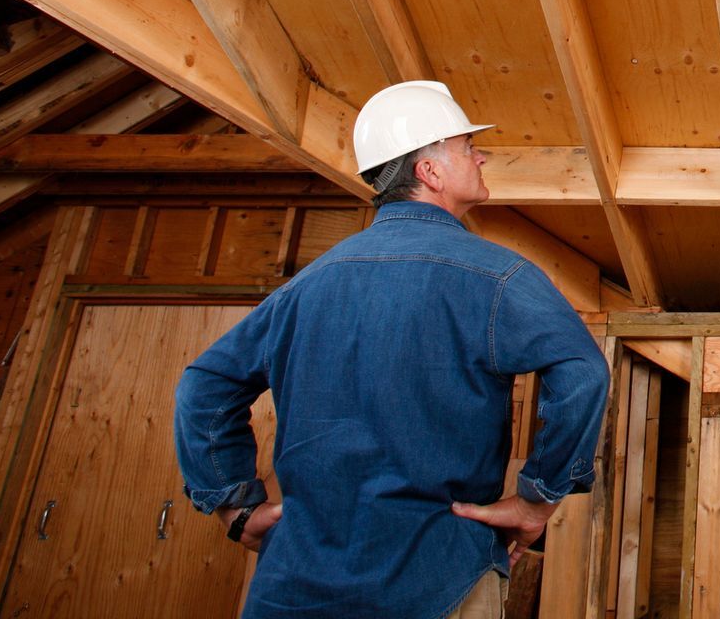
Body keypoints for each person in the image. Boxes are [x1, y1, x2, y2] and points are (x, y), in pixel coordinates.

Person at [174, 80, 610, 619]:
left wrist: (232, 504)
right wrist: (536, 499)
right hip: (438, 577)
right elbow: (583, 373)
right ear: (428, 172)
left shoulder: (307, 285)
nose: (481, 155)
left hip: (295, 583)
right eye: (466, 147)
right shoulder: (498, 276)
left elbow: (204, 385)